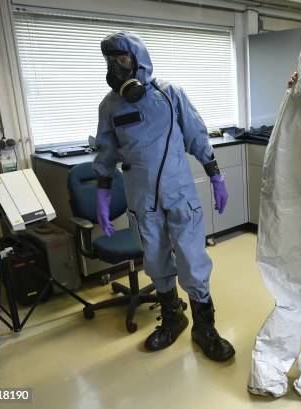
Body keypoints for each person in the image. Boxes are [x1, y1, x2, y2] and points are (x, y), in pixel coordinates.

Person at [92, 31, 235, 361]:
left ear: (139, 61)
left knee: (192, 260)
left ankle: (205, 327)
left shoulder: (170, 94)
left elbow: (196, 135)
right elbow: (106, 153)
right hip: (141, 201)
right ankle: (174, 317)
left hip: (179, 194)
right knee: (155, 261)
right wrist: (102, 192)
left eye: (122, 60)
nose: (116, 68)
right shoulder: (109, 106)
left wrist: (215, 176)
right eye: (109, 61)